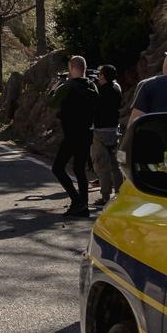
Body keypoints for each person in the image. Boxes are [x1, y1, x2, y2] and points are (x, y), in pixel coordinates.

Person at [50, 56, 98, 216]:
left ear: (71, 68)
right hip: (87, 133)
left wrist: (54, 87)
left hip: (71, 134)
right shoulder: (93, 85)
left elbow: (51, 103)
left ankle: (77, 201)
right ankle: (83, 206)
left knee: (57, 168)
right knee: (79, 169)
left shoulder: (67, 86)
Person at [90, 64, 124, 205]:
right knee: (116, 164)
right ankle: (120, 193)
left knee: (102, 165)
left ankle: (105, 196)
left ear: (103, 76)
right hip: (114, 130)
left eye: (100, 74)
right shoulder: (117, 89)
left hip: (100, 131)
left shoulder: (99, 91)